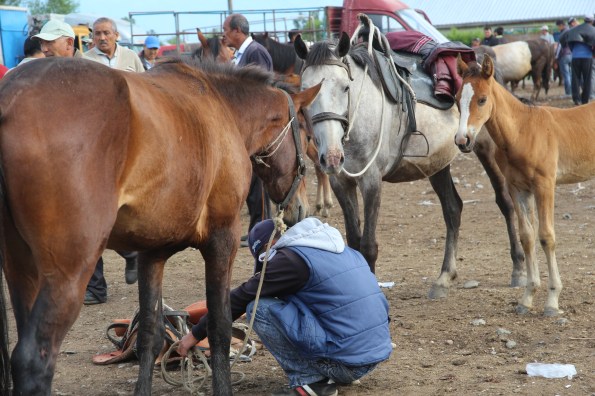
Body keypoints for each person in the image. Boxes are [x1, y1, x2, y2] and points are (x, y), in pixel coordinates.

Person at [178, 217, 392, 396]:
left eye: (264, 260)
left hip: (346, 365)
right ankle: (339, 368)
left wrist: (194, 335)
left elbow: (239, 298)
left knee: (257, 308)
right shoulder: (339, 249)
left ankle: (311, 382)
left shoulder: (289, 260)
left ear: (268, 246)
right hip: (371, 356)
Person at [31, 20, 140, 305]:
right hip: (73, 155)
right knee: (84, 221)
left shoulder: (89, 69)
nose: (44, 47)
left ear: (68, 43)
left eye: (49, 42)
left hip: (100, 152)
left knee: (93, 217)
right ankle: (99, 283)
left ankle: (125, 259)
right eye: (42, 42)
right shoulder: (52, 69)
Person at [223, 13, 273, 240]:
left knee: (259, 186)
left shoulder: (255, 53)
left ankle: (262, 230)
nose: (224, 35)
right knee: (253, 187)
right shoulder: (246, 53)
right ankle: (257, 229)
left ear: (237, 31)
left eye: (226, 30)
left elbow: (258, 94)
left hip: (256, 130)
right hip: (249, 129)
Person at [559, 14, 595, 105]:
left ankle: (576, 99)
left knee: (575, 78)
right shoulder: (593, 30)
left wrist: (573, 50)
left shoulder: (575, 29)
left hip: (575, 57)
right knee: (587, 79)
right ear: (592, 21)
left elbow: (566, 41)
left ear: (584, 20)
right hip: (587, 57)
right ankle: (585, 100)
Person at [554, 19, 572, 97]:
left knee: (566, 75)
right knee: (571, 74)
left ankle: (568, 93)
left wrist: (556, 57)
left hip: (564, 55)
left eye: (558, 26)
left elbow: (559, 47)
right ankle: (572, 91)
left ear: (561, 25)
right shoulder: (571, 30)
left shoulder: (563, 33)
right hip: (571, 55)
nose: (558, 28)